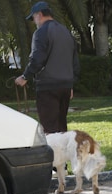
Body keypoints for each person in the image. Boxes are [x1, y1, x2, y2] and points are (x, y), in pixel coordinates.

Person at [15, 1, 80, 134]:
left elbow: (37, 59)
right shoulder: (66, 32)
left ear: (39, 15)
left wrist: (25, 77)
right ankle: (62, 153)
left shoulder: (41, 33)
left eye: (33, 18)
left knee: (50, 128)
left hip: (48, 87)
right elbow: (74, 61)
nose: (34, 22)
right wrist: (71, 85)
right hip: (66, 86)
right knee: (62, 126)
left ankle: (53, 154)